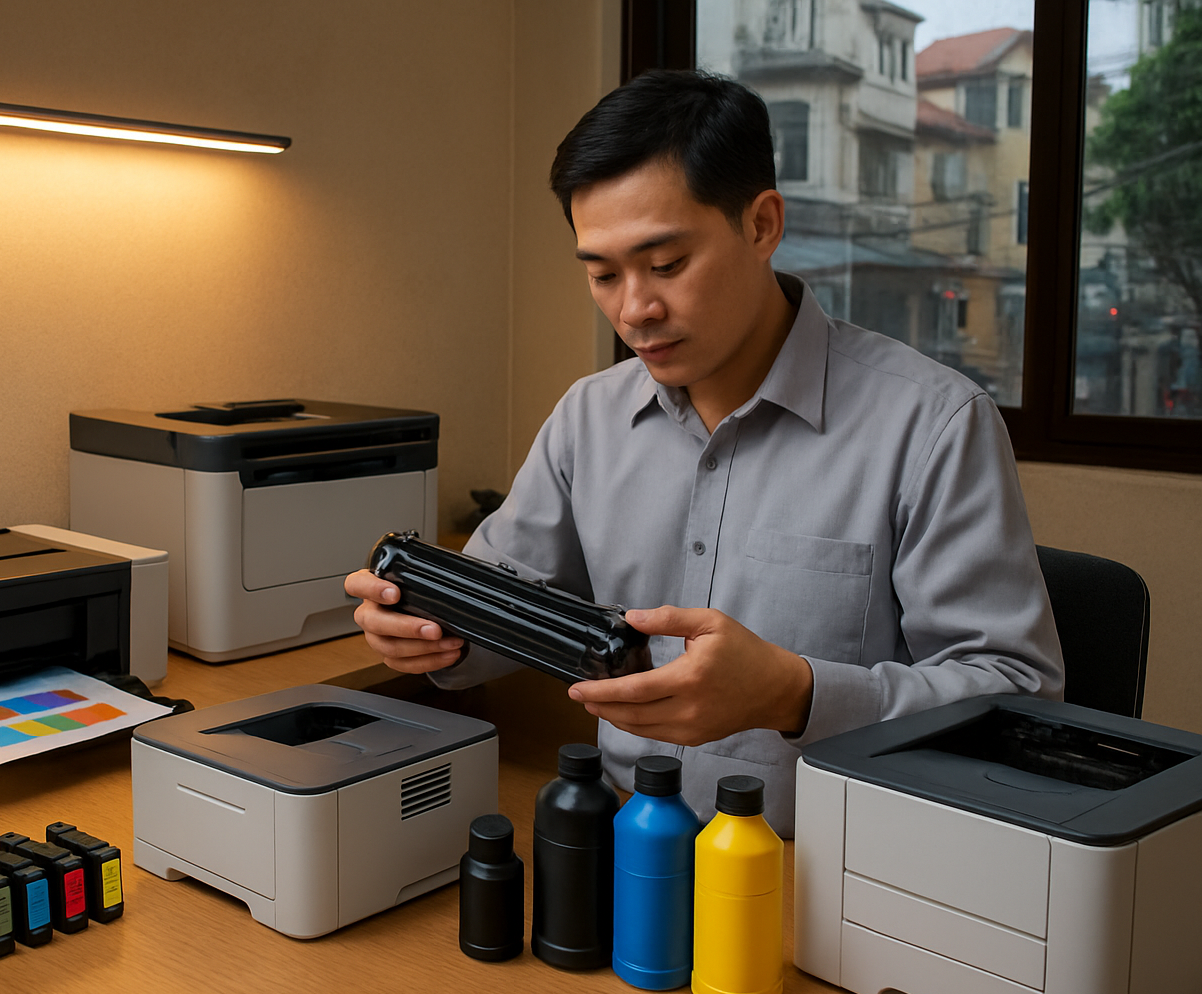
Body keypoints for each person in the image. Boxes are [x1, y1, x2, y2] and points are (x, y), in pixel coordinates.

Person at [344, 69, 1063, 837]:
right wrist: (431, 633)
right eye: (602, 274)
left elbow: (1016, 697)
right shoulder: (589, 417)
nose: (634, 310)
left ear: (762, 225)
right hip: (627, 844)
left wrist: (795, 692)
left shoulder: (934, 424)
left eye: (666, 265)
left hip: (827, 869)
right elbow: (501, 612)